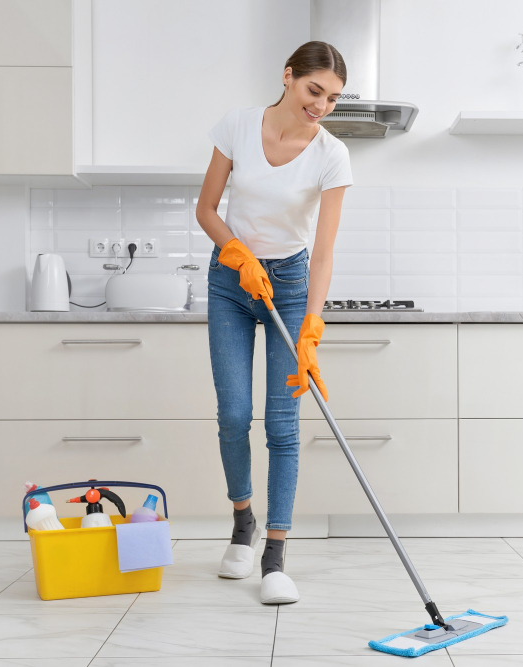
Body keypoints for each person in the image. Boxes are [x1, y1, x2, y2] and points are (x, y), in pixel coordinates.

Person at [195, 41, 353, 605]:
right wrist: (235, 252)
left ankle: (276, 554)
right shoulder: (237, 127)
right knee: (234, 414)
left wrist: (312, 327)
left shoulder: (333, 155)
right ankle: (243, 522)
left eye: (333, 97)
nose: (322, 105)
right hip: (230, 282)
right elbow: (207, 208)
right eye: (314, 90)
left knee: (282, 424)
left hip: (288, 285)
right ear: (288, 77)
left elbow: (325, 252)